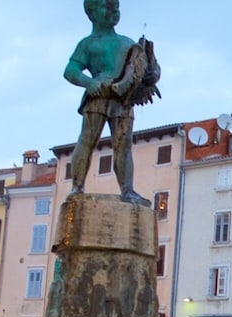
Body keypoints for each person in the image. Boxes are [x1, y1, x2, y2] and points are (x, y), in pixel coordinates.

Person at [62, 0, 161, 205]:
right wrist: (88, 82)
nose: (114, 10)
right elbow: (70, 71)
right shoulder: (87, 44)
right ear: (91, 12)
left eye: (116, 6)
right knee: (87, 140)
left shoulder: (127, 43)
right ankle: (77, 187)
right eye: (107, 6)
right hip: (97, 96)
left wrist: (152, 75)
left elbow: (143, 69)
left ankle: (128, 190)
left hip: (123, 99)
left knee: (123, 146)